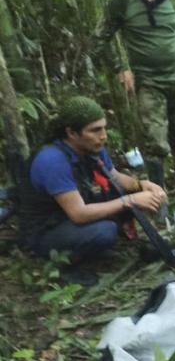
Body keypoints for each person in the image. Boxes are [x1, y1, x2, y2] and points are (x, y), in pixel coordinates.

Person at [19, 96, 166, 265]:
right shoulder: (52, 160)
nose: (103, 136)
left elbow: (116, 177)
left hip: (71, 214)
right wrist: (130, 201)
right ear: (72, 133)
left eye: (104, 128)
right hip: (47, 229)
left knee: (124, 196)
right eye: (95, 130)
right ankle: (70, 261)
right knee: (105, 231)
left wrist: (141, 185)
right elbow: (79, 214)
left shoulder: (92, 147)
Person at [94, 0, 175, 196]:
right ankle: (159, 199)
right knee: (155, 144)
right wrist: (121, 69)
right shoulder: (124, 0)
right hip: (149, 83)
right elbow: (99, 39)